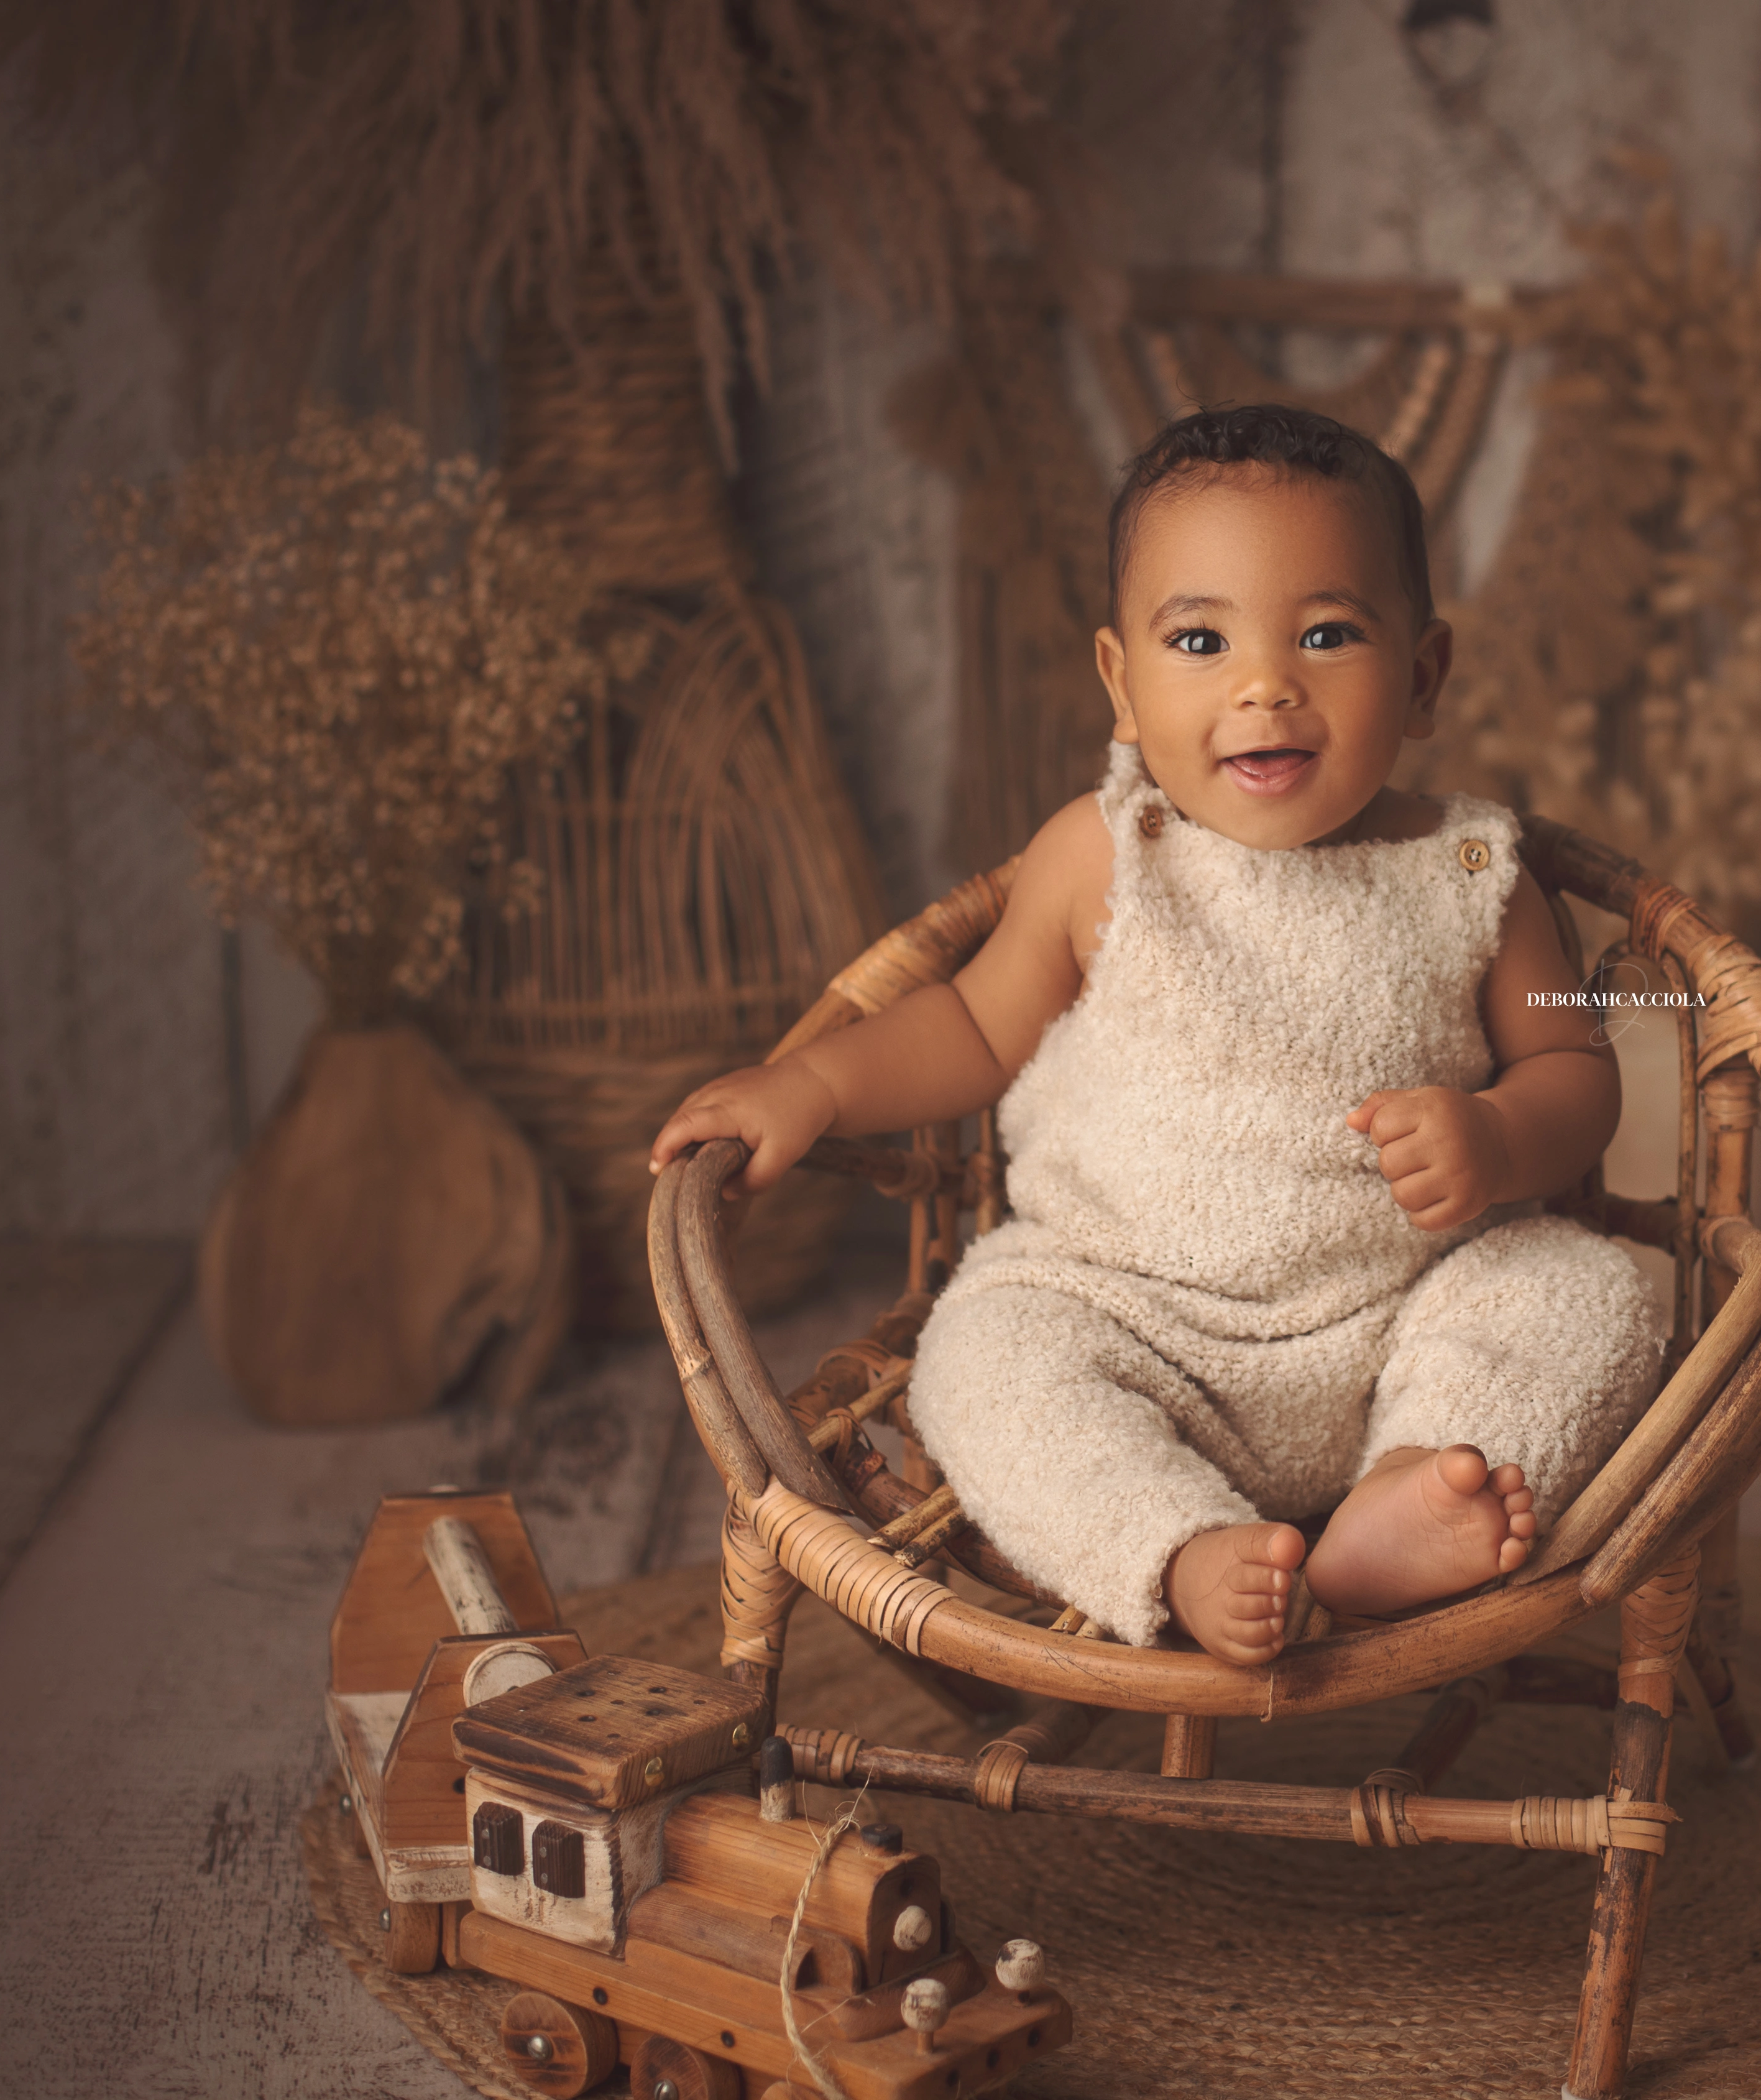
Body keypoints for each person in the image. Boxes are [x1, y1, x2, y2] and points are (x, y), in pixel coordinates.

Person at [650, 403, 1661, 1662]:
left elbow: (1575, 1067)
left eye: (1328, 634)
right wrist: (810, 1084)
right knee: (985, 1359)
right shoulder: (1105, 854)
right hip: (1124, 1317)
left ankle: (1401, 1499)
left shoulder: (1469, 874)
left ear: (1422, 678)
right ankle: (1177, 1548)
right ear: (1123, 686)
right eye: (1199, 639)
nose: (1263, 684)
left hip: (1396, 1326)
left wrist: (1504, 1135)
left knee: (1592, 1295)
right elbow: (971, 1025)